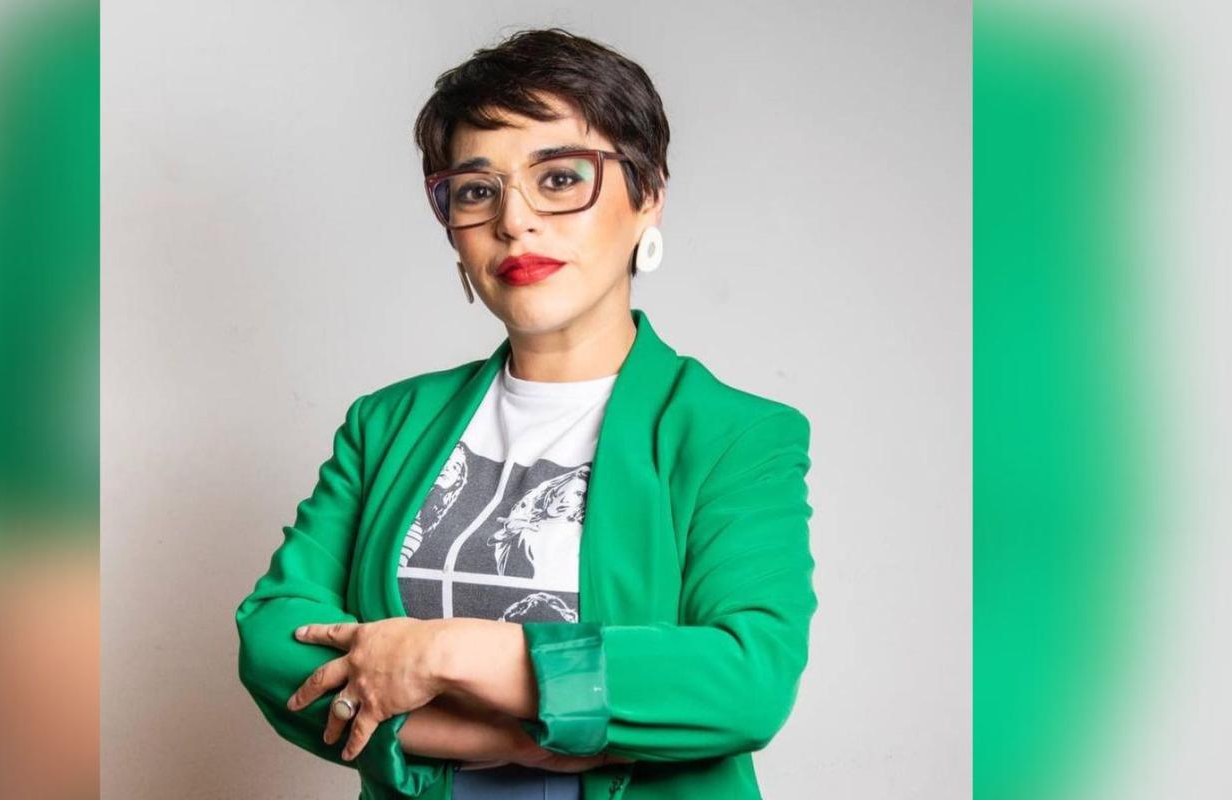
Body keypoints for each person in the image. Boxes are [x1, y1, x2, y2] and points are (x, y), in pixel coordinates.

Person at [235, 27, 817, 800]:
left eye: (560, 178)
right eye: (477, 191)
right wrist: (500, 740)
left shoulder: (732, 435)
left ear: (647, 195)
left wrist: (443, 653)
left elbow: (744, 680)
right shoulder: (387, 424)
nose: (514, 221)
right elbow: (274, 636)